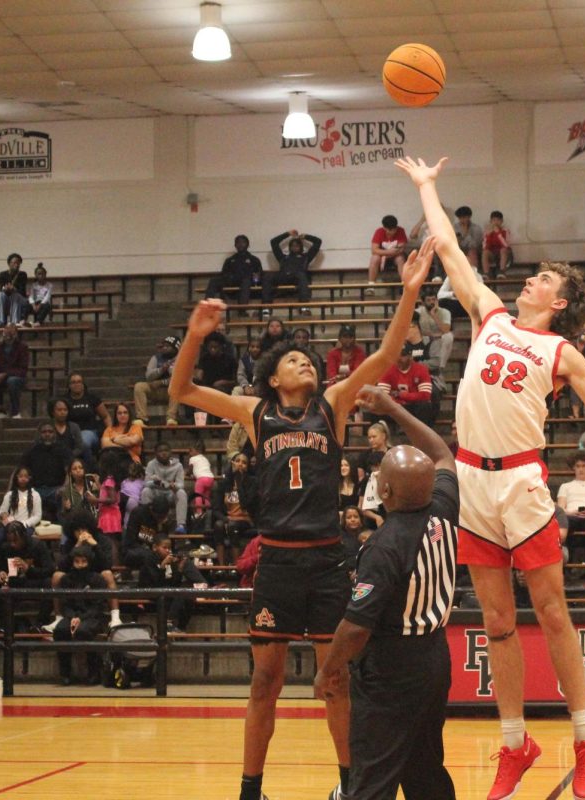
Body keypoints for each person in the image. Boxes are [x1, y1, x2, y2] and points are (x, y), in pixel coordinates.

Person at [399, 154, 585, 799]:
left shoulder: (561, 352)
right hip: (470, 481)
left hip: (522, 481)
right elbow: (446, 249)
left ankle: (584, 741)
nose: (531, 281)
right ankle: (514, 743)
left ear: (561, 302)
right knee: (497, 622)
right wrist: (428, 187)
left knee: (552, 612)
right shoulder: (490, 314)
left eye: (544, 279)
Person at [171, 232, 437, 800]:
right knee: (264, 682)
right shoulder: (254, 411)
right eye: (294, 360)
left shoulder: (333, 405)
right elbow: (182, 388)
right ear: (273, 378)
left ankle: (350, 784)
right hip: (277, 562)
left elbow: (387, 357)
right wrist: (195, 336)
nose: (305, 364)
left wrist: (408, 292)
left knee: (336, 679)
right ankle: (251, 788)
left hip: (326, 561)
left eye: (309, 360)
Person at [312, 385, 458, 800]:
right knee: (424, 768)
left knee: (372, 776)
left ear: (387, 494)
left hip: (393, 667)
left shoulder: (383, 546)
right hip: (434, 659)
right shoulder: (444, 507)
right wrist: (393, 409)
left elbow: (357, 627)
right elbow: (443, 454)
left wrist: (328, 670)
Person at [52, 545, 107, 685]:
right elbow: (65, 604)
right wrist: (73, 617)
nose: (80, 565)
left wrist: (80, 618)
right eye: (77, 561)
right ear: (73, 562)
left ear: (89, 562)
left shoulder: (98, 579)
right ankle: (65, 674)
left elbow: (98, 606)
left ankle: (93, 673)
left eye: (84, 561)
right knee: (60, 630)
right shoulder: (66, 579)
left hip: (92, 616)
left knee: (83, 631)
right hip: (71, 615)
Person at [264, 229, 322, 316]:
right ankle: (266, 308)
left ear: (301, 247)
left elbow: (318, 242)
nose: (294, 247)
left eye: (297, 245)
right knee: (267, 276)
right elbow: (273, 242)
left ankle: (304, 307)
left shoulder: (306, 257)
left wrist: (306, 236)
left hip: (297, 277)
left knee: (302, 275)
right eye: (292, 246)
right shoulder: (283, 258)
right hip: (283, 276)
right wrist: (287, 234)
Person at [19, 423, 72, 517]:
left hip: (56, 489)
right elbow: (22, 471)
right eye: (44, 432)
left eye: (50, 432)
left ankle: (63, 530)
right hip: (36, 489)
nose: (47, 434)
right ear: (39, 434)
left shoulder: (63, 450)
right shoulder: (31, 451)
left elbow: (69, 472)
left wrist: (64, 487)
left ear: (55, 433)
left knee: (64, 496)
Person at [141, 442, 188, 534]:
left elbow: (181, 484)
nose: (163, 453)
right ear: (155, 453)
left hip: (170, 493)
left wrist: (175, 486)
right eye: (160, 451)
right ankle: (146, 526)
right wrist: (155, 482)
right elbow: (146, 483)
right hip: (156, 493)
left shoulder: (178, 465)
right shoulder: (151, 464)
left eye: (166, 450)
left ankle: (181, 525)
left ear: (170, 452)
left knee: (181, 493)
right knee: (145, 491)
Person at [134, 336, 182, 426]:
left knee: (177, 387)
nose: (164, 348)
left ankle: (171, 418)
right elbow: (148, 376)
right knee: (139, 386)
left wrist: (161, 382)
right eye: (164, 346)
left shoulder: (181, 359)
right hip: (155, 390)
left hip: (171, 393)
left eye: (168, 346)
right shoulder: (156, 358)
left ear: (175, 348)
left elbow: (179, 379)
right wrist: (161, 370)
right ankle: (142, 418)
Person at [64, 373, 112, 458]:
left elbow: (105, 416)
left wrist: (111, 432)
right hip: (70, 433)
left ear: (83, 384)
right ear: (69, 386)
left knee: (82, 442)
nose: (76, 384)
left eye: (79, 382)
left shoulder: (92, 398)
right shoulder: (64, 400)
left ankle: (88, 465)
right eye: (73, 382)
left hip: (90, 432)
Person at [207, 234, 263, 306]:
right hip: (232, 283)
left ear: (248, 244)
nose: (240, 244)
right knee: (214, 280)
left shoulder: (254, 260)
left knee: (246, 281)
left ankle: (242, 310)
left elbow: (259, 275)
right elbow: (224, 274)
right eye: (238, 242)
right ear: (235, 245)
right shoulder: (230, 260)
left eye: (243, 242)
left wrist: (254, 279)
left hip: (247, 284)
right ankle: (206, 306)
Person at [0, 324, 30, 419]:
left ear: (16, 334)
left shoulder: (22, 347)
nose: (8, 335)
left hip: (17, 377)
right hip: (0, 376)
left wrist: (6, 374)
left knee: (12, 381)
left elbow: (23, 368)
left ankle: (15, 411)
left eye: (11, 333)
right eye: (6, 333)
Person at [100, 403, 145, 484]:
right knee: (107, 457)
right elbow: (105, 444)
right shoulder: (109, 429)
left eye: (125, 412)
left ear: (129, 414)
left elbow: (133, 441)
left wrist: (114, 439)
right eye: (119, 413)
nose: (122, 415)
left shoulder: (135, 427)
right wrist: (124, 443)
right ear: (115, 415)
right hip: (113, 458)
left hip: (131, 459)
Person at [0, 467, 42, 543]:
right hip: (11, 525)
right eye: (20, 476)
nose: (23, 479)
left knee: (21, 537)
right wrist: (2, 515)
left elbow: (38, 516)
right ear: (16, 478)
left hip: (27, 526)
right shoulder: (10, 494)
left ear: (30, 478)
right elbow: (0, 511)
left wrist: (23, 524)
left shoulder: (35, 495)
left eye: (26, 476)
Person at [415, 287, 454, 375]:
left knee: (448, 337)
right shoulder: (417, 313)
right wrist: (432, 335)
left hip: (439, 342)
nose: (432, 302)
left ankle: (440, 367)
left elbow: (446, 330)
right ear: (423, 302)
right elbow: (414, 331)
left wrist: (434, 315)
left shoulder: (445, 312)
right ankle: (420, 366)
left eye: (433, 299)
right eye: (428, 300)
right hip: (423, 343)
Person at [366, 214, 408, 290]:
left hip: (395, 256)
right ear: (384, 228)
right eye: (389, 230)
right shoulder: (379, 232)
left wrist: (386, 255)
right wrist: (386, 254)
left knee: (400, 258)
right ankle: (371, 285)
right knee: (374, 258)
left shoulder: (401, 231)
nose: (392, 232)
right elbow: (374, 250)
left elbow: (400, 249)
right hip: (381, 257)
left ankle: (405, 284)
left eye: (394, 229)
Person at [0, 252, 29, 326]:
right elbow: (1, 288)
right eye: (14, 263)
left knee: (15, 295)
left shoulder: (22, 274)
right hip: (8, 299)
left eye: (18, 263)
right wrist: (6, 289)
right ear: (9, 263)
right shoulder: (3, 274)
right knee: (1, 295)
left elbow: (22, 291)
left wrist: (14, 289)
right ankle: (1, 321)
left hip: (20, 299)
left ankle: (14, 322)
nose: (16, 265)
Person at [482, 210, 512, 276]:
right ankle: (486, 273)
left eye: (498, 220)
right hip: (492, 254)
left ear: (501, 221)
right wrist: (488, 235)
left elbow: (506, 245)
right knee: (485, 252)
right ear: (491, 221)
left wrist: (498, 233)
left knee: (503, 250)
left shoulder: (505, 231)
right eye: (494, 220)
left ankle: (501, 272)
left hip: (504, 254)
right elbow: (484, 247)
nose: (496, 222)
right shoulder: (487, 231)